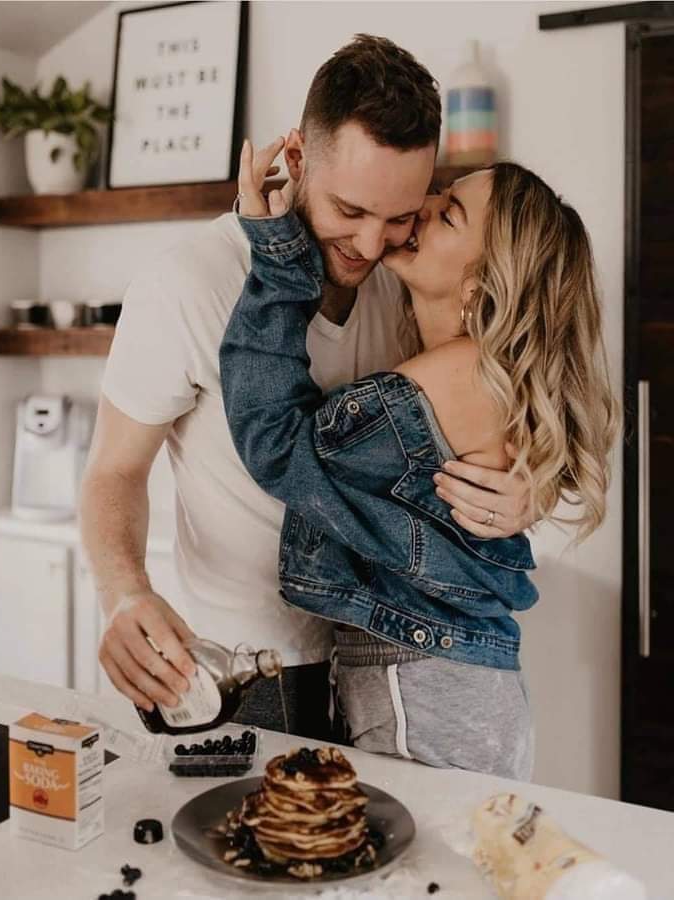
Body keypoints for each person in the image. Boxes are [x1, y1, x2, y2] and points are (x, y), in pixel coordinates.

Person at [80, 35, 535, 739]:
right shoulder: (188, 283)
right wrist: (122, 592)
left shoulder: (410, 278)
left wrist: (527, 489)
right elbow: (113, 469)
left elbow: (489, 411)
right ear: (295, 159)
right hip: (242, 668)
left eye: (399, 216)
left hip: (381, 660)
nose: (371, 244)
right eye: (349, 211)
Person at [219, 139, 617, 778]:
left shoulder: (458, 378)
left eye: (449, 213)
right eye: (440, 192)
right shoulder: (475, 375)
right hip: (450, 690)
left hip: (427, 700)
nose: (422, 207)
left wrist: (278, 255)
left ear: (481, 282)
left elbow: (276, 444)